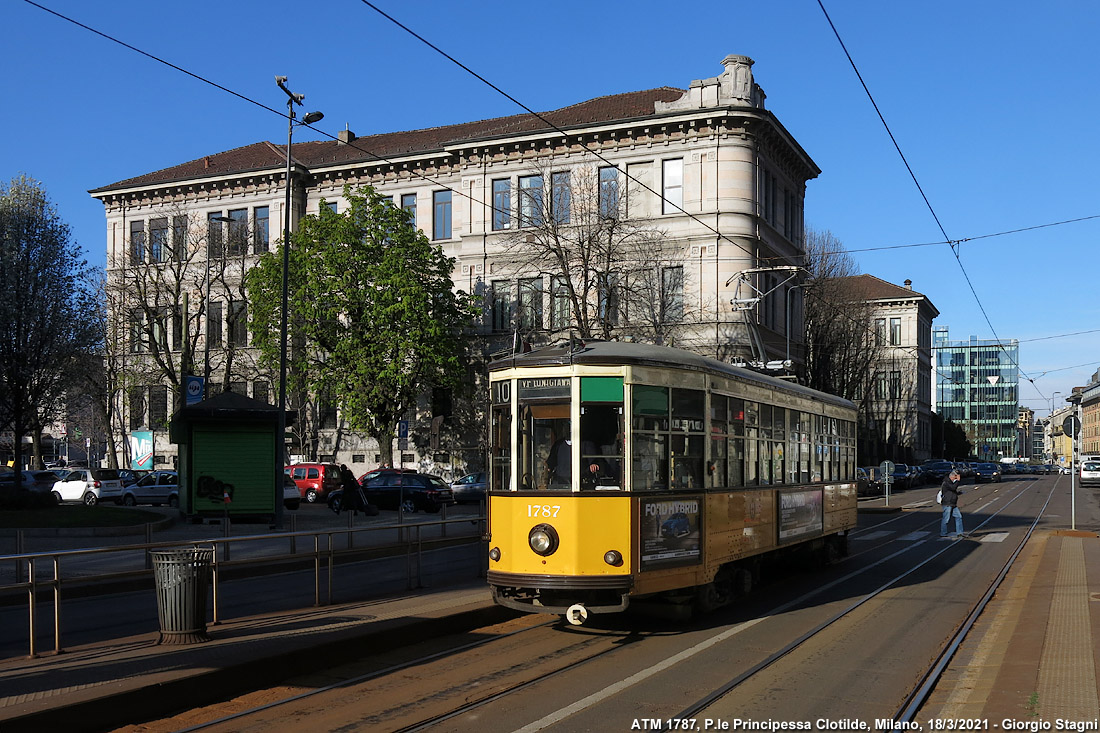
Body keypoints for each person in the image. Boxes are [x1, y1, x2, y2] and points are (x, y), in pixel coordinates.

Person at [940, 469, 964, 538]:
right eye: (955, 477)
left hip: (953, 503)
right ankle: (943, 533)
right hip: (947, 503)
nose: (955, 478)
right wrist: (957, 481)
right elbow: (953, 488)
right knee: (946, 519)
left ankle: (960, 532)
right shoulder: (946, 482)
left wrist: (958, 493)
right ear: (952, 476)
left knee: (959, 516)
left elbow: (952, 492)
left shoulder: (950, 482)